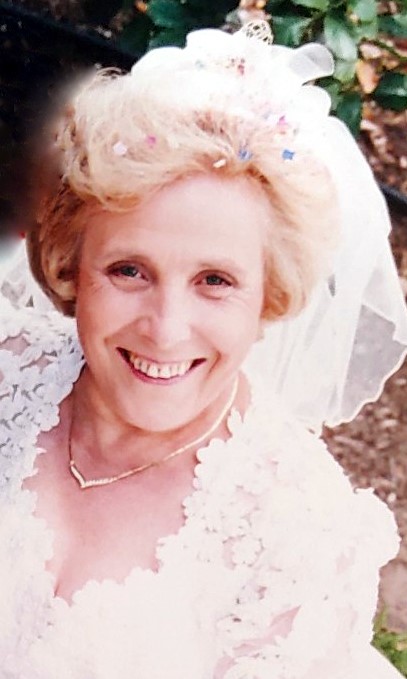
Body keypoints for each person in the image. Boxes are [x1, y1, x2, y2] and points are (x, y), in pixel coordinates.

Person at [0, 20, 406, 679]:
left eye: (214, 281)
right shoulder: (9, 371)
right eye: (129, 270)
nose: (165, 329)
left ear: (270, 295)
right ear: (70, 264)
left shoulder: (297, 543)